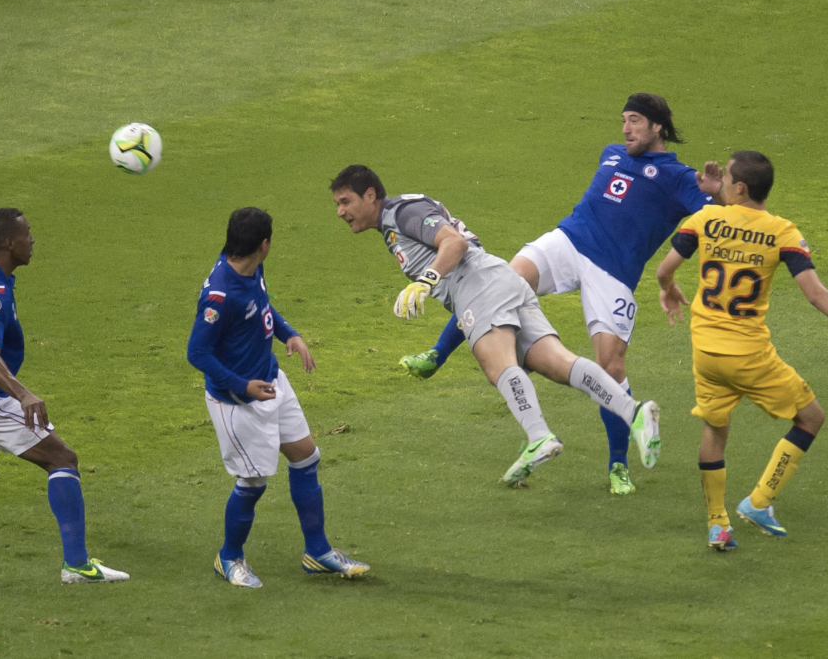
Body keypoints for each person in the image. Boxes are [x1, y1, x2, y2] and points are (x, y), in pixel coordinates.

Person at [400, 93, 725, 495]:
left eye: (635, 121)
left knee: (611, 365)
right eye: (623, 120)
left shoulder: (679, 177)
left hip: (614, 271)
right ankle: (436, 354)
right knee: (502, 281)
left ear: (658, 127)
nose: (625, 129)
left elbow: (724, 217)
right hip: (568, 242)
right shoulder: (611, 153)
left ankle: (618, 465)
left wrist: (718, 193)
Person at [332, 165, 660, 488]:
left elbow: (454, 243)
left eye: (345, 201)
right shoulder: (396, 218)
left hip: (477, 284)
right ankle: (634, 412)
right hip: (498, 280)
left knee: (498, 366)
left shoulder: (401, 210)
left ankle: (539, 436)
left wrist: (426, 280)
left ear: (370, 195)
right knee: (558, 363)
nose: (340, 211)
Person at [654, 151, 828, 551]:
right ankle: (759, 502)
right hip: (750, 357)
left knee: (714, 429)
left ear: (739, 188)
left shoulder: (703, 220)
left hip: (705, 351)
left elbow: (664, 270)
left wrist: (669, 291)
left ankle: (717, 524)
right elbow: (815, 294)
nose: (718, 180)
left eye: (726, 178)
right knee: (811, 418)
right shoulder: (782, 232)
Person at [0, 208, 128, 584]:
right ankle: (78, 566)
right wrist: (23, 394)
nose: (32, 240)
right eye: (27, 234)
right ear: (8, 242)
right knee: (62, 458)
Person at [187, 207, 369, 589]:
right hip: (237, 401)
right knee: (252, 483)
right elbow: (197, 354)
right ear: (264, 245)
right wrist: (242, 385)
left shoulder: (250, 267)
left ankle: (317, 552)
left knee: (306, 457)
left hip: (271, 382)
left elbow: (262, 309)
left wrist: (289, 334)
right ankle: (229, 557)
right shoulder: (220, 296)